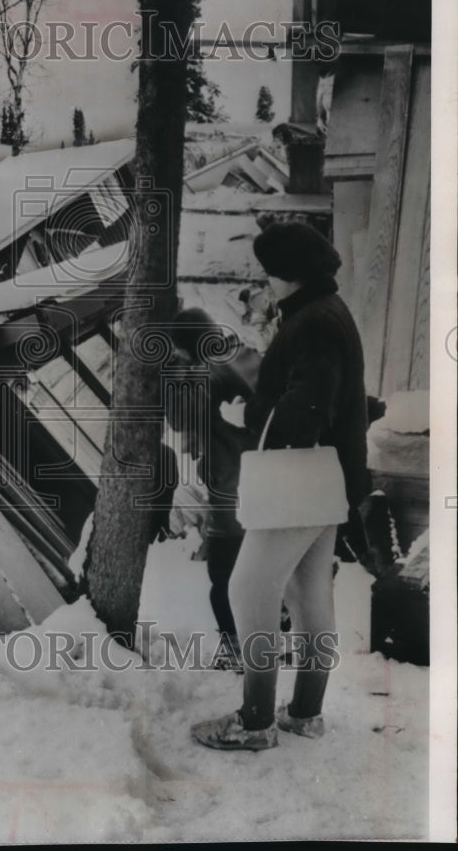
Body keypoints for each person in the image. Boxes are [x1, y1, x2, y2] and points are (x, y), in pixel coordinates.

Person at [191, 221, 370, 750]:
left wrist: (250, 415)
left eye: (268, 275)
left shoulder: (312, 321)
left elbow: (307, 404)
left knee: (248, 588)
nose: (264, 284)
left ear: (286, 275)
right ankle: (306, 712)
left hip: (300, 474)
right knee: (309, 591)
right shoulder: (326, 311)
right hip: (328, 474)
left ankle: (255, 722)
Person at [165, 308, 261, 656]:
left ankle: (237, 648)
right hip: (265, 477)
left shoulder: (206, 371)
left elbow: (180, 418)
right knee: (260, 563)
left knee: (223, 573)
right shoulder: (245, 356)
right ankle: (272, 631)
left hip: (232, 487)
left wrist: (176, 366)